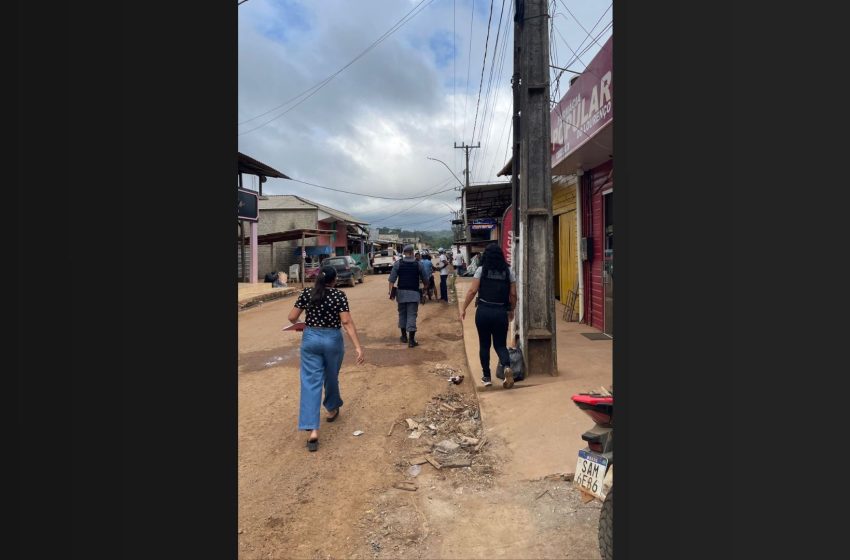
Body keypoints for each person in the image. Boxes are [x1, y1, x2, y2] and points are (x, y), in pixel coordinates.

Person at [287, 265, 365, 452]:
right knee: (331, 376)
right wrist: (357, 347)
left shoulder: (307, 293)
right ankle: (331, 408)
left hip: (311, 340)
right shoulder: (339, 296)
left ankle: (313, 430)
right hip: (332, 340)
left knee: (310, 382)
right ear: (334, 280)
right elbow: (346, 322)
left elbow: (291, 317)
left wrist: (302, 325)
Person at [459, 244, 518, 389]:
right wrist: (512, 310)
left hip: (484, 311)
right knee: (500, 345)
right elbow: (513, 294)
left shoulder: (481, 270)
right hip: (500, 312)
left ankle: (486, 377)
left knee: (484, 344)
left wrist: (464, 308)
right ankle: (506, 367)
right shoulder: (508, 271)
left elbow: (473, 291)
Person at [388, 244, 430, 347]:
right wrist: (424, 290)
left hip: (401, 294)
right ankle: (411, 341)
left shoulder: (398, 264)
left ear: (404, 253)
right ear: (412, 253)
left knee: (402, 314)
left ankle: (403, 337)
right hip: (414, 294)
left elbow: (391, 280)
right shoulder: (418, 264)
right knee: (411, 315)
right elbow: (425, 280)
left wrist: (391, 293)